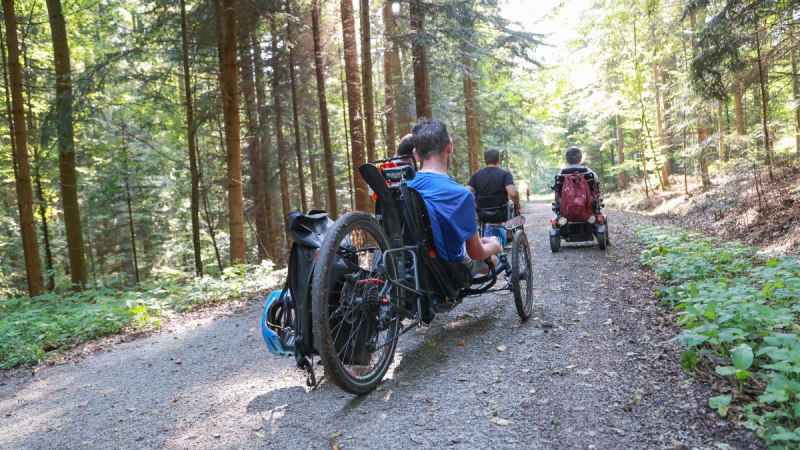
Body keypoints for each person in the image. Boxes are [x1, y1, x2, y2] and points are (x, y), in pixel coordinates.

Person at [408, 119, 501, 274]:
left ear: (416, 154)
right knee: (493, 259)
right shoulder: (461, 195)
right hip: (449, 270)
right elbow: (476, 253)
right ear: (449, 146)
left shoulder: (404, 190)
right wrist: (495, 245)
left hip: (413, 266)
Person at [466, 148, 521, 216]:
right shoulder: (505, 174)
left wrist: (473, 204)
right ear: (498, 160)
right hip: (501, 213)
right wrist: (517, 205)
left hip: (482, 214)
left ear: (485, 161)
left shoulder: (476, 175)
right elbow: (513, 194)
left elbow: (466, 192)